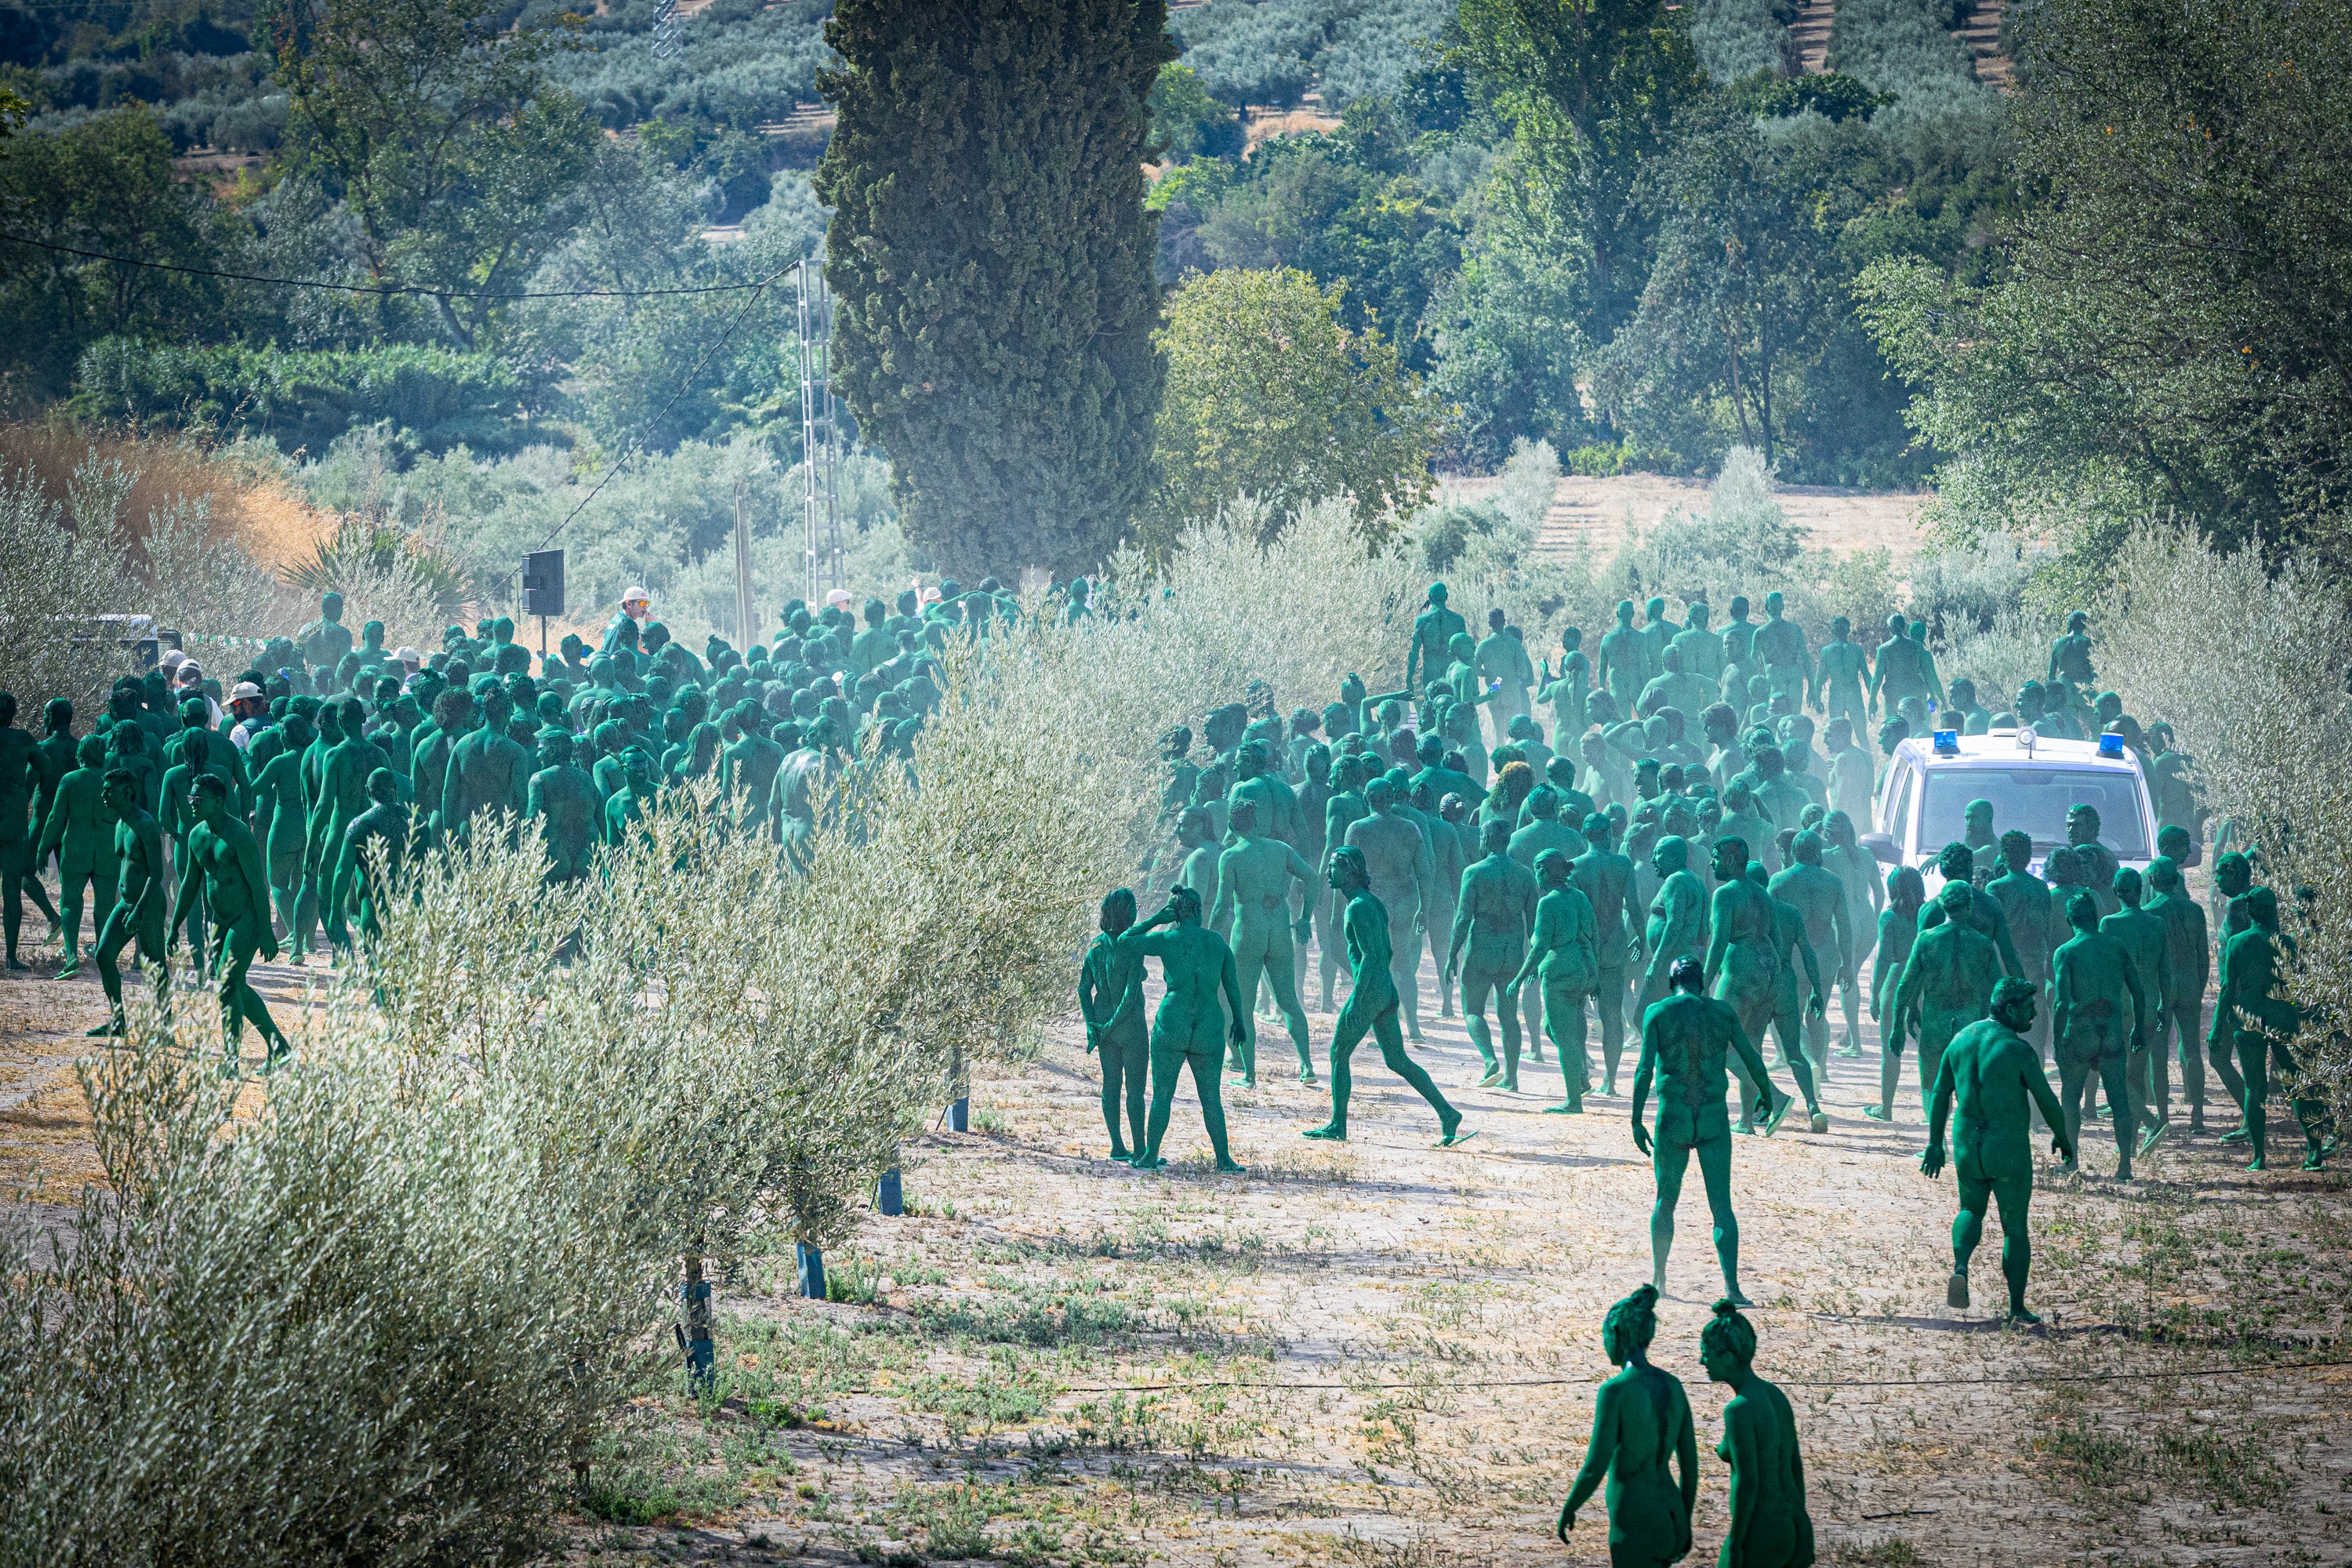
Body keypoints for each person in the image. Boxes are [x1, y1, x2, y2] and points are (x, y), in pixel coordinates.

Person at [1922, 977, 2073, 1321]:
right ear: (2009, 1008)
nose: (2034, 1015)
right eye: (2028, 1008)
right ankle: (2017, 1307)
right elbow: (2047, 1100)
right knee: (2015, 1227)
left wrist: (1934, 1142)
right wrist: (2062, 1136)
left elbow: (1939, 1094)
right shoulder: (2017, 1050)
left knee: (1970, 1210)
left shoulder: (1960, 1041)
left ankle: (1960, 1267)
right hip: (2007, 1147)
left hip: (1966, 1144)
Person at [1632, 955, 1776, 1305]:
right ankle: (1733, 1288)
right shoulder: (1722, 1013)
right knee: (1721, 1207)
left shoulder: (1658, 1012)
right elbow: (1752, 1057)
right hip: (1713, 1117)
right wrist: (1767, 1092)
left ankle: (1659, 1279)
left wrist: (1636, 1120)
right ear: (1704, 982)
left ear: (1672, 983)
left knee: (1665, 1201)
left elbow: (1643, 1072)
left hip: (1674, 1115)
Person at [1305, 846, 1472, 1147]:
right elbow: (1386, 952)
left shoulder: (1357, 906)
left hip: (1371, 990)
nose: (1328, 872)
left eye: (1334, 867)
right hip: (1384, 988)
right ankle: (1447, 1113)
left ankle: (1337, 1125)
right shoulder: (1371, 903)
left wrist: (1359, 996)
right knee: (1397, 1060)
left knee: (1338, 1053)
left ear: (1351, 870)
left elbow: (1371, 955)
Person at [1555, 1284, 1697, 1564]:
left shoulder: (1615, 1391)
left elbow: (1596, 1465)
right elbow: (1690, 1466)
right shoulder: (1673, 1386)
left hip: (1635, 1518)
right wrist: (1684, 1519)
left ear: (1617, 1334)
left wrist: (1570, 1508)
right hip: (1672, 1512)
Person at [1119, 887, 1247, 1174]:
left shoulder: (1167, 939)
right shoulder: (1217, 942)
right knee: (1211, 1097)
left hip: (1173, 1022)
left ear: (1175, 914)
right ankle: (1223, 1159)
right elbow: (1233, 989)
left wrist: (1156, 919)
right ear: (1199, 910)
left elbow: (1126, 940)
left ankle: (1150, 1155)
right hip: (1209, 1024)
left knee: (1162, 1094)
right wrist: (1239, 1021)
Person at [170, 774, 292, 1074]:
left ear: (218, 801)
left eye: (199, 799)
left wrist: (266, 931)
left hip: (245, 918)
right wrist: (174, 927)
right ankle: (279, 1047)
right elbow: (189, 884)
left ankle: (231, 1062)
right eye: (191, 799)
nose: (193, 804)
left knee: (225, 985)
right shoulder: (196, 835)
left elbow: (258, 886)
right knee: (234, 985)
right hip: (219, 921)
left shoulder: (239, 835)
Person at [2210, 886, 2326, 1171]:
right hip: (2283, 1017)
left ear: (2250, 912)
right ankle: (2314, 1152)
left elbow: (2227, 990)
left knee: (2254, 1088)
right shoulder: (2288, 943)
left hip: (2249, 1019)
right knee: (2296, 1085)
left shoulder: (2237, 942)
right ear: (2273, 909)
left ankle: (2259, 1157)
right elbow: (2302, 986)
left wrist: (2216, 1027)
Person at [1209, 799, 1317, 1086]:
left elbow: (1221, 905)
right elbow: (1313, 878)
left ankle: (1249, 1073)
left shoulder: (1230, 856)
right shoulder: (1280, 850)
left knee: (1242, 1006)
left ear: (1231, 825)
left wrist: (1207, 936)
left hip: (1247, 933)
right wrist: (1306, 917)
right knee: (1289, 1002)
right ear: (1256, 822)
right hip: (1279, 928)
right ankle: (1307, 1068)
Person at [1700, 1299, 1815, 1568]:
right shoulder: (1776, 1395)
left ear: (1727, 1357)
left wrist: (1737, 1542)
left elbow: (1747, 1481)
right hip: (1794, 1521)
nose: (1702, 1361)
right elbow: (1795, 1467)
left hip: (1762, 1529)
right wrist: (1803, 1526)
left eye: (1706, 1353)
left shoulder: (1738, 1409)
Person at [1886, 881, 2005, 1124]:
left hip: (1935, 1021)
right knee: (1968, 1087)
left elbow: (1905, 985)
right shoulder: (1983, 944)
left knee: (1932, 1085)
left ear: (1942, 906)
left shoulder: (1927, 940)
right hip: (1969, 1024)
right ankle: (1969, 1144)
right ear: (1970, 906)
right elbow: (2000, 989)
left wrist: (1897, 1024)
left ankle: (1937, 1144)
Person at [2051, 889, 2148, 1179]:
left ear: (2069, 919)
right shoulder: (2116, 947)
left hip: (2081, 1031)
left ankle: (2071, 1162)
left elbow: (2061, 1003)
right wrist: (2139, 1028)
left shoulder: (2066, 951)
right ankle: (2125, 1167)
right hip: (2112, 1031)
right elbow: (2138, 993)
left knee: (2070, 1101)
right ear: (2095, 916)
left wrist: (2058, 1042)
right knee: (2119, 1101)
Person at [2142, 855, 2234, 1136]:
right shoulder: (2194, 911)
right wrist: (2199, 984)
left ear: (2151, 880)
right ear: (2176, 880)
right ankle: (2198, 1117)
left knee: (2158, 1054)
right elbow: (2203, 957)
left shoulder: (2148, 913)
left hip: (2163, 985)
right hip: (2190, 982)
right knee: (2192, 1051)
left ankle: (2163, 1117)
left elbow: (2150, 960)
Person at [1446, 818, 1540, 1091]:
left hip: (1481, 951)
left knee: (1473, 1010)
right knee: (1509, 1016)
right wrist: (1534, 959)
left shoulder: (1474, 872)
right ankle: (1511, 1077)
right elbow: (1534, 924)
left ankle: (1489, 1060)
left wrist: (1452, 954)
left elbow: (1463, 918)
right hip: (1512, 953)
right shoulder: (1525, 874)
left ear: (1485, 840)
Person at [1506, 848, 1599, 1113]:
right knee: (1551, 1025)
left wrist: (1520, 977)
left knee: (1564, 1036)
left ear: (1544, 871)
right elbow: (1595, 936)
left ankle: (1574, 1101)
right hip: (1584, 968)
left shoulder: (1548, 903)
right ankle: (1579, 1074)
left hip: (1560, 970)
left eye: (1537, 870)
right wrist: (1596, 975)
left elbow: (1540, 947)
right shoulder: (1580, 898)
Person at [1345, 777, 1434, 1043]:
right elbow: (1425, 873)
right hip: (1406, 900)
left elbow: (1345, 871)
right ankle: (1414, 1028)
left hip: (1374, 903)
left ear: (1367, 799)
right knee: (1404, 966)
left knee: (1373, 965)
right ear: (1392, 798)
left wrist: (1347, 908)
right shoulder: (1411, 828)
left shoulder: (1358, 828)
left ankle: (1379, 1029)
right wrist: (1424, 909)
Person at [86, 768, 169, 1036]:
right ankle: (119, 1021)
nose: (103, 795)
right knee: (103, 955)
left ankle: (165, 1027)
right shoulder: (120, 824)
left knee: (155, 965)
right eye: (104, 789)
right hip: (127, 903)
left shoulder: (145, 824)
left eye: (109, 790)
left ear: (127, 792)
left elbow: (156, 873)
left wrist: (140, 912)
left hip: (148, 905)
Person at [1078, 887, 1151, 1163]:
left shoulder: (1095, 947)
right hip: (1130, 1027)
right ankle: (1141, 1150)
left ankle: (1117, 1146)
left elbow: (1083, 989)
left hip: (1102, 1025)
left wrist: (1092, 1026)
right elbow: (1130, 996)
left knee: (1110, 1086)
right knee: (1135, 1091)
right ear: (1127, 914)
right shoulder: (1133, 944)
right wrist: (1109, 1025)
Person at [36, 734, 114, 978]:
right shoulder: (111, 780)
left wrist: (43, 847)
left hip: (76, 848)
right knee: (105, 907)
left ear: (81, 753)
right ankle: (104, 957)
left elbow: (55, 818)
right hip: (107, 849)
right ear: (102, 754)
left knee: (70, 902)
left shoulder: (70, 780)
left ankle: (71, 958)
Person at [1864, 865, 1925, 1121]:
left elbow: (1884, 959)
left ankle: (1886, 1108)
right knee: (1927, 1051)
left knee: (1891, 1051)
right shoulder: (1929, 912)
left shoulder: (1889, 917)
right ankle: (1929, 1112)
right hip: (1923, 981)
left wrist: (1874, 994)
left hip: (1897, 979)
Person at [327, 768, 411, 953]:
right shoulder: (417, 823)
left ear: (367, 791)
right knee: (407, 975)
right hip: (409, 912)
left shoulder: (360, 826)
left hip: (373, 913)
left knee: (375, 974)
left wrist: (334, 911)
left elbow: (342, 872)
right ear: (395, 788)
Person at [1404, 583, 1468, 693]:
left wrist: (1409, 678)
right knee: (1452, 703)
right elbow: (1466, 650)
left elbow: (1414, 652)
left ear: (1429, 598)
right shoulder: (1458, 620)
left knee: (1431, 705)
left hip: (1431, 670)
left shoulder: (1422, 621)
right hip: (1451, 670)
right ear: (1446, 597)